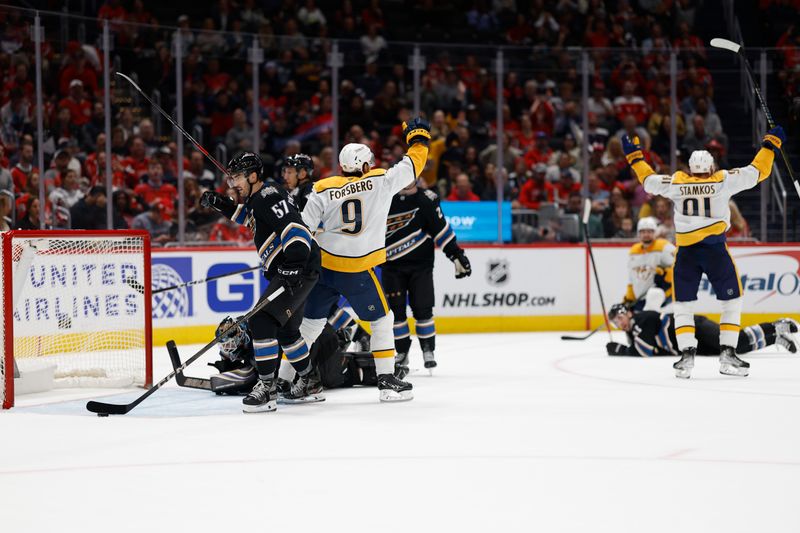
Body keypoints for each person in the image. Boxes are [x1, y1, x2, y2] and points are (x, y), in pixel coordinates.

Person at [622, 125, 785, 378]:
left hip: (686, 253)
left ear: (689, 169)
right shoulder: (722, 180)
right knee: (732, 301)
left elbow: (648, 181)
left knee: (683, 304)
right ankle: (728, 355)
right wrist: (770, 145)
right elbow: (757, 172)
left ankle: (686, 357)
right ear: (711, 167)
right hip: (714, 250)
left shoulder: (678, 182)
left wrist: (635, 157)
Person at [298, 117, 431, 402]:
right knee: (383, 321)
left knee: (309, 325)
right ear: (366, 165)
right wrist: (418, 138)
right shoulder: (380, 181)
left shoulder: (321, 188)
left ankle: (284, 382)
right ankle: (386, 382)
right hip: (356, 269)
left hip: (323, 266)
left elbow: (302, 231)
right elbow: (412, 165)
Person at [200, 152, 322, 412]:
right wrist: (220, 203)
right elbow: (249, 217)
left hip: (297, 267)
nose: (234, 183)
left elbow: (295, 228)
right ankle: (310, 380)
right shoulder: (258, 199)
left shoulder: (268, 195)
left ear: (254, 176)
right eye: (231, 178)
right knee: (287, 331)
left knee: (261, 320)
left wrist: (294, 266)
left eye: (238, 177)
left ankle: (267, 387)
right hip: (296, 268)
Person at [383, 179, 472, 378]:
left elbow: (441, 229)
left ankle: (427, 349)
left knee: (423, 310)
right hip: (391, 266)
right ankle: (402, 352)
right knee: (396, 313)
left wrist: (456, 254)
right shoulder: (385, 198)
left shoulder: (427, 199)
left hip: (420, 267)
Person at [606, 304, 799, 358]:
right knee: (736, 350)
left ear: (629, 313)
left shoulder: (642, 318)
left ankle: (775, 325)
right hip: (694, 345)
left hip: (697, 329)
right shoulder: (634, 332)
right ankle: (775, 339)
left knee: (736, 340)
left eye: (620, 318)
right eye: (616, 322)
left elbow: (644, 351)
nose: (619, 323)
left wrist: (619, 350)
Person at [621, 217, 676, 312]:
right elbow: (632, 278)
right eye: (643, 232)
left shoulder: (663, 246)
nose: (646, 234)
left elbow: (678, 264)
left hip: (663, 295)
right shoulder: (634, 251)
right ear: (639, 233)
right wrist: (629, 297)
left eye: (649, 231)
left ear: (655, 232)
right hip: (641, 299)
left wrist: (667, 276)